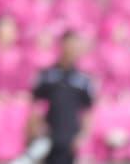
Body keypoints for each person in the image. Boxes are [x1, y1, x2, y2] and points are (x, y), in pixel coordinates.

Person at [30, 30, 95, 164]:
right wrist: (37, 127)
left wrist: (83, 135)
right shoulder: (47, 75)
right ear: (61, 46)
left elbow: (88, 110)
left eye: (75, 46)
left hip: (72, 137)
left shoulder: (83, 79)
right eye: (68, 45)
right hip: (49, 135)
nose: (71, 50)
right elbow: (36, 104)